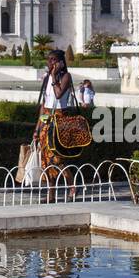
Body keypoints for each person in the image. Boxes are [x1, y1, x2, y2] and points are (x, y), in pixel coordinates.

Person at [33, 49, 77, 200]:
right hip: (47, 117)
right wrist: (37, 128)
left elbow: (58, 94)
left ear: (60, 62)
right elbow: (44, 105)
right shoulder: (46, 78)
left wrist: (53, 77)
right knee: (45, 158)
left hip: (59, 118)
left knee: (57, 157)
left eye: (53, 60)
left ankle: (72, 187)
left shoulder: (66, 76)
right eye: (49, 59)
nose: (50, 62)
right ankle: (51, 194)